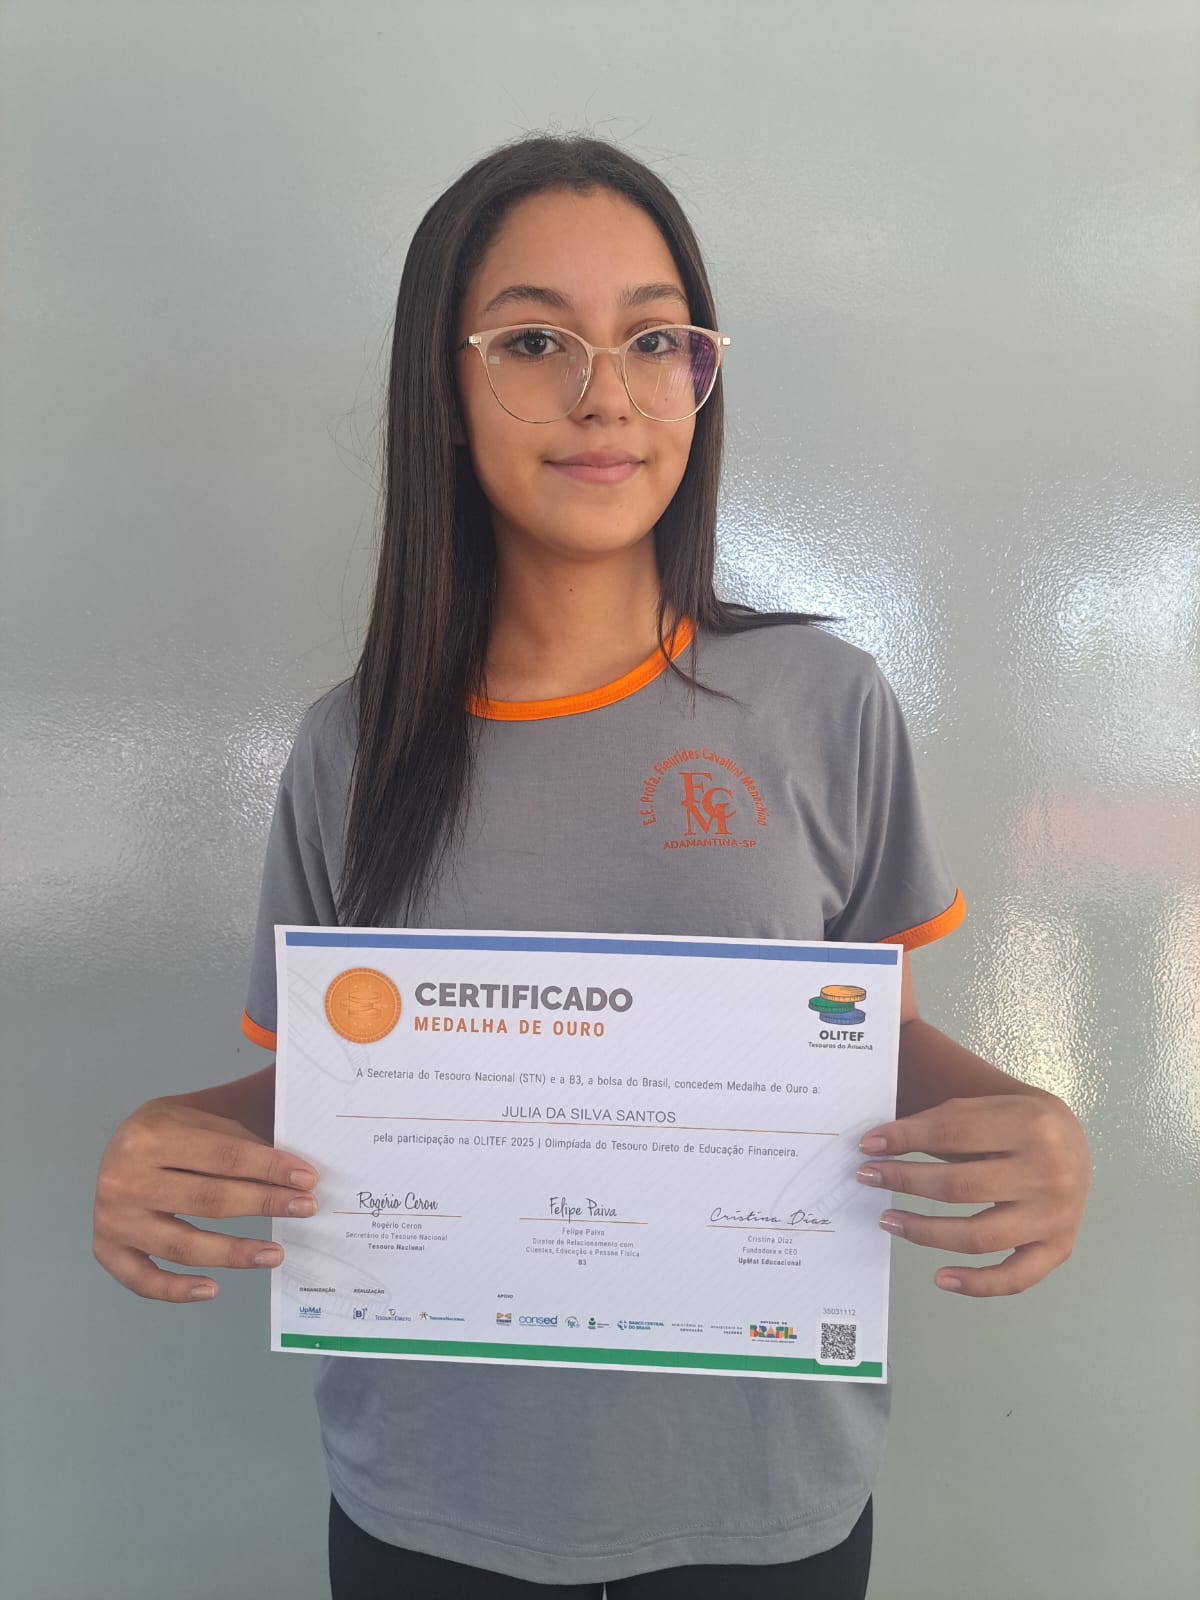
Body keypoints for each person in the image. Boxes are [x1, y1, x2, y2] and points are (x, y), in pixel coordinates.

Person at [92, 133, 1093, 1599]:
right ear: (443, 394)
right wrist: (178, 1141)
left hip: (763, 1499)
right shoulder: (350, 749)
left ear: (700, 376)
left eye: (655, 339)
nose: (605, 394)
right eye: (534, 341)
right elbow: (332, 1079)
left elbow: (851, 1030)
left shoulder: (824, 705)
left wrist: (1024, 1123)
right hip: (432, 1501)